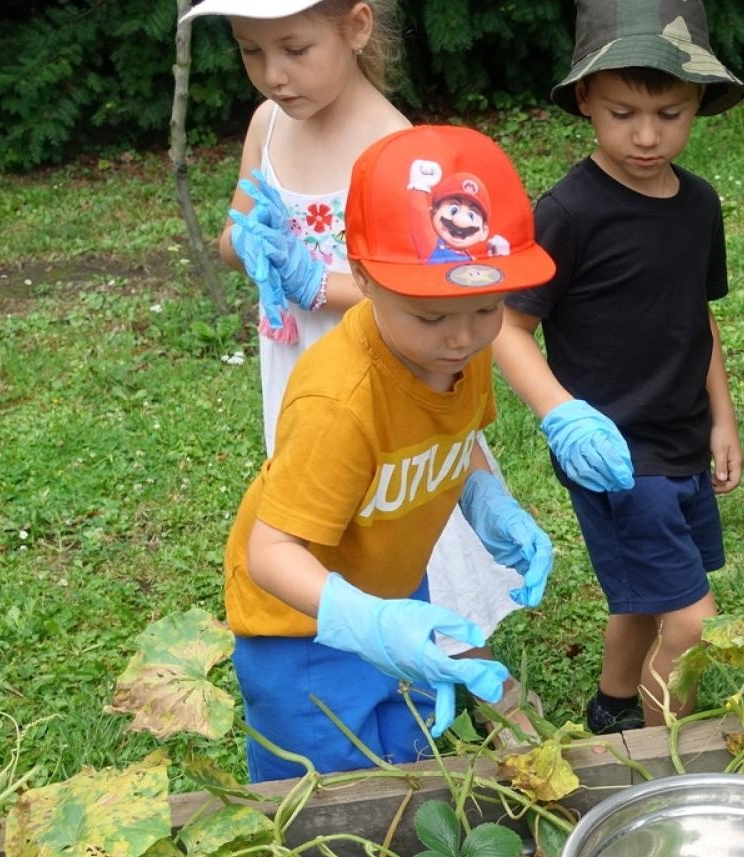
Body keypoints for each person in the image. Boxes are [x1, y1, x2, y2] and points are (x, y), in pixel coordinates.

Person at [179, 0, 531, 707]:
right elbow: (234, 232)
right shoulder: (267, 124)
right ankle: (364, 656)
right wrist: (250, 246)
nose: (273, 75)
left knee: (419, 509)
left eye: (294, 48)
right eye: (251, 52)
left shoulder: (394, 148)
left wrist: (317, 281)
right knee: (331, 505)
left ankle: (490, 687)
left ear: (356, 27)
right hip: (307, 366)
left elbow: (423, 296)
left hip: (397, 362)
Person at [222, 124, 557, 781]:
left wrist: (489, 503)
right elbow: (271, 553)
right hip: (303, 631)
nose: (462, 337)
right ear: (366, 278)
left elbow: (457, 442)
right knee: (329, 789)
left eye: (487, 309)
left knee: (408, 756)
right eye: (430, 317)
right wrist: (367, 622)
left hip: (397, 593)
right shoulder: (340, 402)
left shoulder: (461, 349)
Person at [495, 0, 744, 733]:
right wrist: (562, 417)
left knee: (643, 595)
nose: (645, 134)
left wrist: (722, 417)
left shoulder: (698, 204)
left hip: (681, 440)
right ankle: (667, 756)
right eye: (622, 111)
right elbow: (507, 329)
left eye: (669, 113)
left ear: (697, 98)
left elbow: (696, 313)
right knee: (693, 622)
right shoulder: (568, 212)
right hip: (615, 458)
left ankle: (610, 711)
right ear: (584, 100)